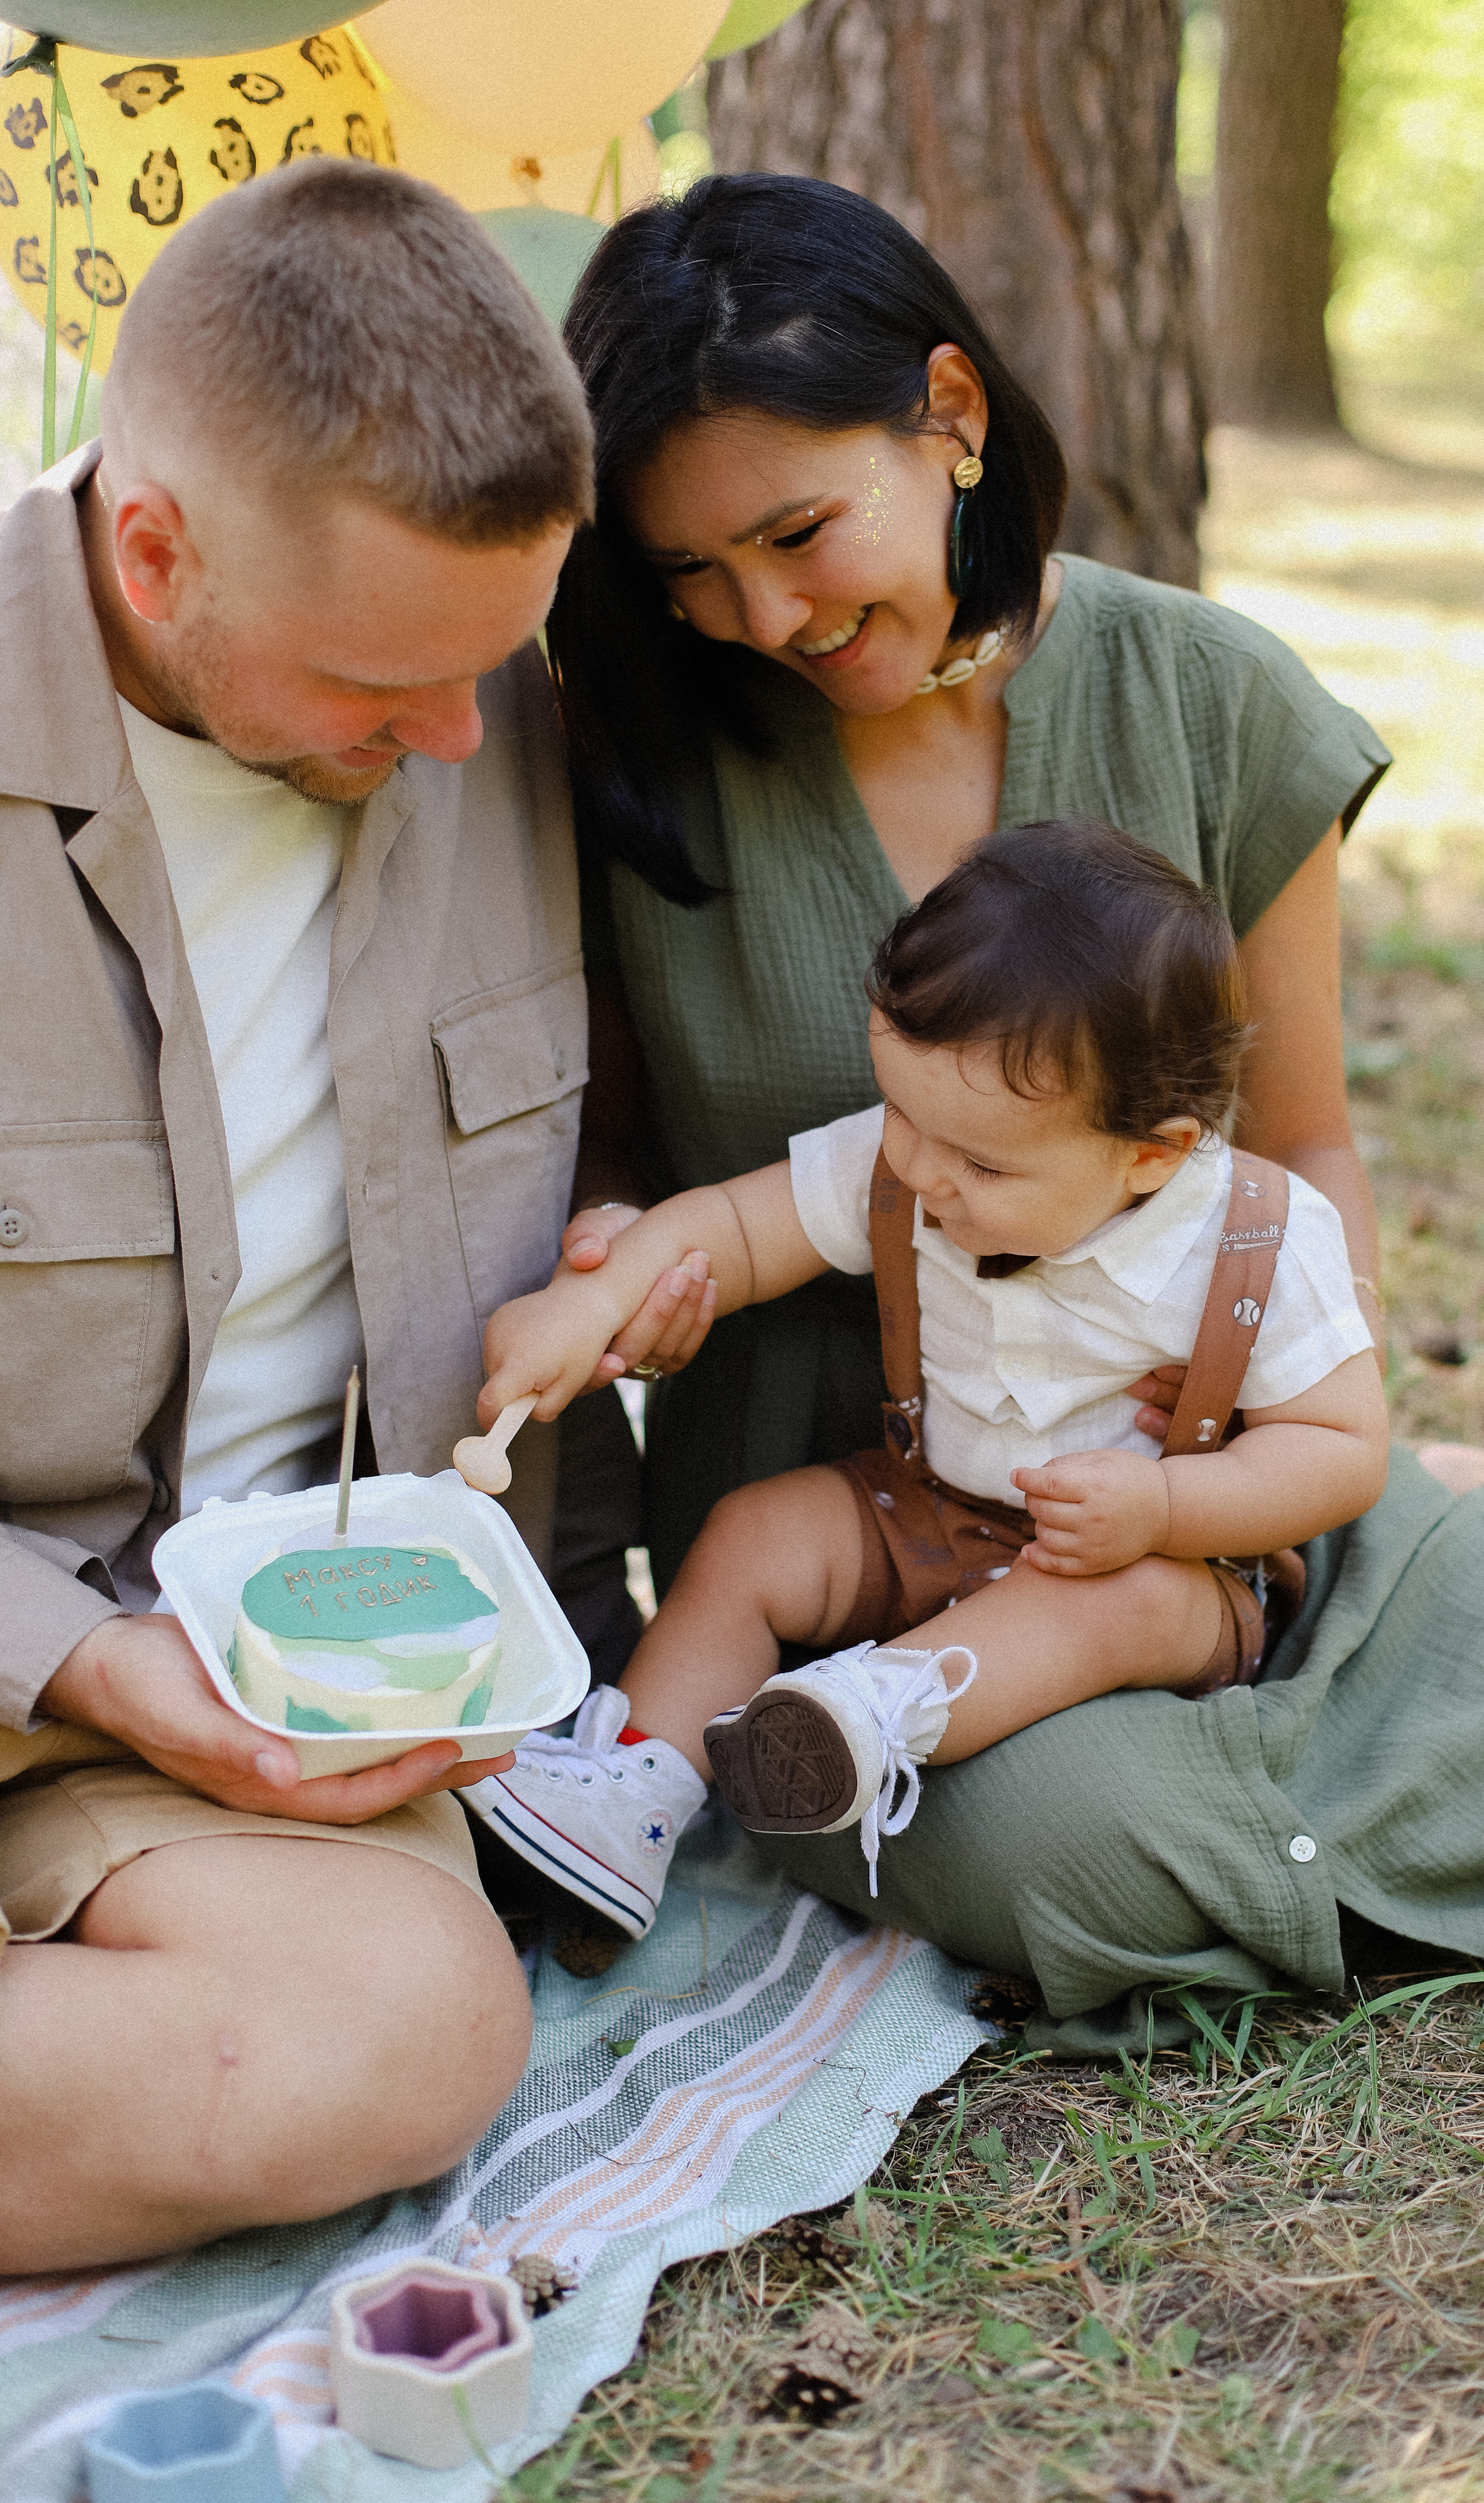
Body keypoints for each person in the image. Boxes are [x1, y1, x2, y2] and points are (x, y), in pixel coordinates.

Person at [519, 174, 1484, 2049]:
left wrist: (1235, 1467)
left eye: (799, 533)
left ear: (951, 418)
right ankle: (1451, 1580)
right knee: (1075, 1850)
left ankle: (1457, 1526)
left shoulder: (1211, 700)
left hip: (1189, 1488)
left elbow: (1304, 1153)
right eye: (693, 575)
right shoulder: (639, 762)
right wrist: (620, 1242)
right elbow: (628, 1153)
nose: (762, 615)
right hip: (856, 1560)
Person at [0, 158, 690, 2276]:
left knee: (405, 2030)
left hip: (238, 1714)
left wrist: (636, 1245)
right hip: (61, 1637)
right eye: (379, 689)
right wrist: (83, 1662)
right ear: (153, 546)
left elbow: (608, 1143)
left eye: (493, 668)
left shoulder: (488, 710)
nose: (456, 739)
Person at [471, 823, 1389, 1937]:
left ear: (1153, 1153)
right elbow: (735, 1229)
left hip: (1149, 1564)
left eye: (981, 1164)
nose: (917, 1168)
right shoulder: (925, 1150)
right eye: (899, 1112)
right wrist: (589, 1305)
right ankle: (632, 1792)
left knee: (1116, 1608)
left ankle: (874, 1712)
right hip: (928, 1506)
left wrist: (1160, 1507)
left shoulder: (1260, 1241)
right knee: (756, 1535)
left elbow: (1343, 1449)